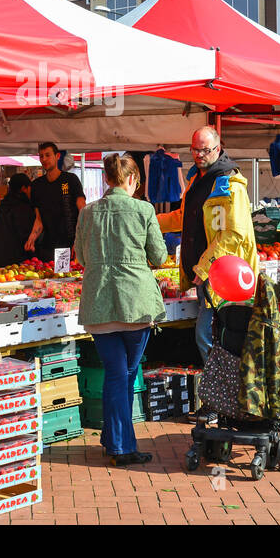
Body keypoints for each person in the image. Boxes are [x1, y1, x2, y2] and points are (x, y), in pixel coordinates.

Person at [74, 154, 166, 466]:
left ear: (107, 179)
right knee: (122, 374)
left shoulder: (88, 213)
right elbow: (160, 255)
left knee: (120, 373)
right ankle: (121, 447)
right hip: (135, 304)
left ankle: (114, 438)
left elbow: (81, 257)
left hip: (99, 303)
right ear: (131, 180)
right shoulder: (144, 210)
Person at [156, 125, 257, 374]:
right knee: (213, 337)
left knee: (208, 337)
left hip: (226, 279)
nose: (199, 155)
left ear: (218, 148)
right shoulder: (196, 180)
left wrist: (204, 267)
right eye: (195, 150)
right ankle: (223, 396)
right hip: (206, 278)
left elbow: (232, 234)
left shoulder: (229, 183)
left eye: (205, 150)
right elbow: (185, 217)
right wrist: (150, 220)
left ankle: (224, 394)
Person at [26, 143, 86, 262]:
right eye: (41, 156)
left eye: (48, 155)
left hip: (70, 245)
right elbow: (39, 219)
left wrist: (79, 241)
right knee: (49, 279)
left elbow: (83, 212)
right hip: (47, 246)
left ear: (57, 156)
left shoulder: (71, 180)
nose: (44, 159)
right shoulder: (37, 185)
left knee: (68, 278)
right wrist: (31, 238)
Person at [0, 174, 36, 268]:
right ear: (24, 188)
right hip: (18, 262)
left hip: (2, 258)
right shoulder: (22, 207)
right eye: (29, 188)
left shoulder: (5, 205)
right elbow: (25, 234)